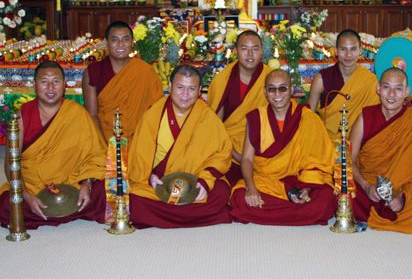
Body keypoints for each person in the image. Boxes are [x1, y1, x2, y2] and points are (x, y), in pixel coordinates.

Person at [0, 61, 107, 229]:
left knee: (106, 189)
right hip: (35, 186)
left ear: (64, 85)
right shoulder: (22, 116)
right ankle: (56, 209)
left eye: (56, 81)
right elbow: (10, 164)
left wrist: (87, 184)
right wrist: (27, 196)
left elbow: (96, 155)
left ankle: (70, 206)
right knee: (7, 205)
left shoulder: (77, 113)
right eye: (44, 82)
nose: (50, 87)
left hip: (74, 183)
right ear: (35, 85)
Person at [128, 65, 232, 228]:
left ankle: (164, 215)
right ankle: (192, 216)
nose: (185, 94)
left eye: (191, 88)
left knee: (221, 192)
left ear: (199, 91)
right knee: (135, 197)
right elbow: (139, 154)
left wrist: (204, 181)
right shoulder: (153, 115)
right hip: (161, 183)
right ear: (169, 87)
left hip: (195, 180)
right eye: (180, 87)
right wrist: (149, 177)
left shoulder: (207, 117)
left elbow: (222, 154)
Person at [350, 67, 412, 233]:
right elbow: (349, 160)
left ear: (406, 91)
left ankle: (397, 205)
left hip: (403, 187)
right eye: (387, 87)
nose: (391, 95)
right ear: (378, 89)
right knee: (340, 192)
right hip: (368, 183)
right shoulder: (365, 117)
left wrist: (403, 197)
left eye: (398, 89)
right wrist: (366, 186)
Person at [230, 69, 336, 225]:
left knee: (326, 200)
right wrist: (251, 187)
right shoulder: (256, 118)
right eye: (272, 89)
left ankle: (285, 208)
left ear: (291, 89)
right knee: (239, 197)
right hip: (267, 181)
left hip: (300, 180)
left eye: (283, 88)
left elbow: (316, 161)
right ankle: (298, 211)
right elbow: (246, 159)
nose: (277, 94)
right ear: (265, 92)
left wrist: (306, 188)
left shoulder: (307, 118)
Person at [82, 20, 163, 144]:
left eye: (125, 39)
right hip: (103, 138)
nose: (120, 44)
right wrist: (104, 146)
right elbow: (91, 115)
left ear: (132, 42)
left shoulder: (145, 71)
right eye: (114, 39)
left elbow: (155, 111)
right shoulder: (93, 71)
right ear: (107, 43)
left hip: (139, 140)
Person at [208, 30, 272, 185]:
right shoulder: (222, 80)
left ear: (262, 51)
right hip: (230, 152)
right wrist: (238, 156)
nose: (250, 54)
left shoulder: (270, 79)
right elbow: (215, 128)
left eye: (255, 49)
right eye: (244, 49)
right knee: (220, 185)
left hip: (264, 150)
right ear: (235, 51)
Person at [308, 29, 379, 141]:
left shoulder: (370, 81)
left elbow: (375, 118)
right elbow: (308, 116)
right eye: (343, 49)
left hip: (359, 142)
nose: (348, 54)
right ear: (336, 51)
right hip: (327, 142)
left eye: (353, 49)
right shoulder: (321, 80)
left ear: (360, 50)